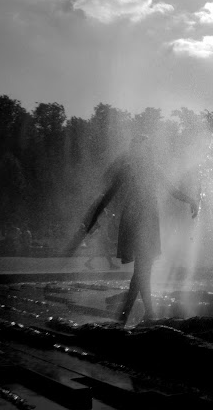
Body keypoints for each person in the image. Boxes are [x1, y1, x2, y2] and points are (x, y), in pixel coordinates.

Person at [69, 136, 198, 324]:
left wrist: (191, 200)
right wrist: (92, 220)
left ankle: (134, 314)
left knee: (142, 269)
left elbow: (171, 190)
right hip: (137, 222)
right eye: (143, 149)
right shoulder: (131, 169)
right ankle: (137, 313)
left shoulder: (146, 168)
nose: (145, 153)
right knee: (143, 268)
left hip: (145, 221)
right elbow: (108, 196)